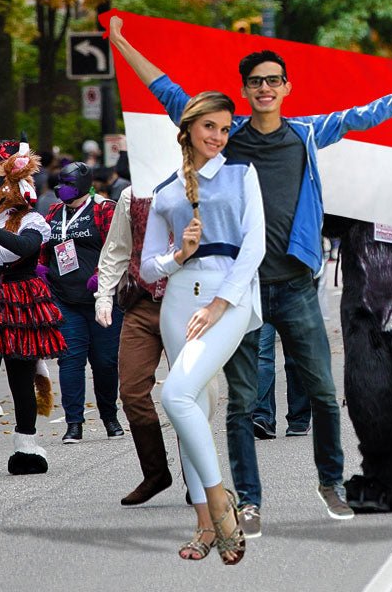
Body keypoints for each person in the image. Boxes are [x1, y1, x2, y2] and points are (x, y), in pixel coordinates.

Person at [109, 15, 392, 534]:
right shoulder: (227, 137)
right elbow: (168, 92)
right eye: (256, 82)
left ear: (287, 87)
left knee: (320, 390)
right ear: (244, 91)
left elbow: (366, 115)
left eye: (274, 80)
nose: (266, 88)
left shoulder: (307, 134)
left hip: (295, 286)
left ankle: (331, 483)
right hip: (239, 291)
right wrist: (121, 43)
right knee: (243, 403)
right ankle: (248, 501)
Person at [141, 90, 262, 564]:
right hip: (177, 301)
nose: (218, 136)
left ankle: (220, 507)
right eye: (210, 126)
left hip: (226, 297)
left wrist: (219, 303)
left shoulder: (241, 173)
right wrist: (179, 255)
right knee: (191, 408)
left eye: (225, 128)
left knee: (175, 394)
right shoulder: (167, 191)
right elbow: (148, 268)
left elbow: (254, 246)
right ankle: (203, 527)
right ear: (189, 128)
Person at [0, 139, 62, 477]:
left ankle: (26, 446)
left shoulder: (31, 219)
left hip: (20, 302)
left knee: (21, 378)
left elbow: (22, 249)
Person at [94, 187, 174, 505]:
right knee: (131, 391)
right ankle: (155, 472)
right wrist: (103, 295)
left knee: (188, 393)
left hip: (186, 304)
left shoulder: (202, 183)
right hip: (141, 304)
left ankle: (198, 476)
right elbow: (116, 250)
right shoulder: (132, 195)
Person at [42, 162, 123, 444]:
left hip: (103, 299)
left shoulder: (104, 209)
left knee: (105, 362)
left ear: (82, 183)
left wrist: (102, 277)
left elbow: (119, 248)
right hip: (65, 299)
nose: (60, 187)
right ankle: (74, 422)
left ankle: (110, 417)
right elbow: (45, 247)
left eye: (67, 182)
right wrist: (42, 269)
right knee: (70, 361)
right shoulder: (54, 212)